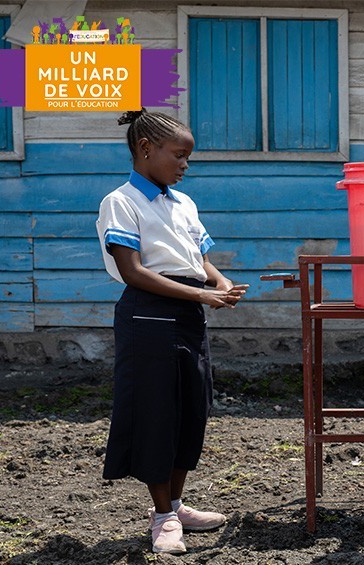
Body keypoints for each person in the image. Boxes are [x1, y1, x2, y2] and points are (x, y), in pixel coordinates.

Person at [96, 109, 248, 555]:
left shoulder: (183, 203)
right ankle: (162, 516)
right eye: (179, 156)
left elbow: (197, 260)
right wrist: (202, 296)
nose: (185, 165)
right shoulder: (121, 201)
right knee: (155, 412)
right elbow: (133, 271)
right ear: (146, 149)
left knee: (189, 412)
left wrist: (218, 282)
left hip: (188, 314)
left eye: (188, 158)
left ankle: (177, 504)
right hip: (148, 315)